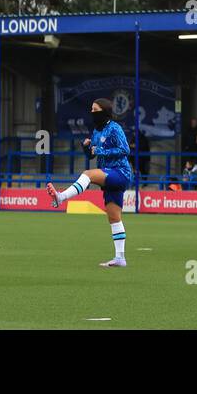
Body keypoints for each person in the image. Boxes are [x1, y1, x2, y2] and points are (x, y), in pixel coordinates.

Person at [45, 98, 134, 267]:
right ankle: (120, 258)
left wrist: (98, 149)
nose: (92, 112)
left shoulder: (115, 128)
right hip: (108, 177)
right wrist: (86, 148)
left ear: (104, 111)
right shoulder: (96, 131)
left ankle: (61, 197)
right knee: (114, 217)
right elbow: (92, 155)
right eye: (91, 109)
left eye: (95, 109)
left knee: (88, 174)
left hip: (119, 172)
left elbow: (125, 149)